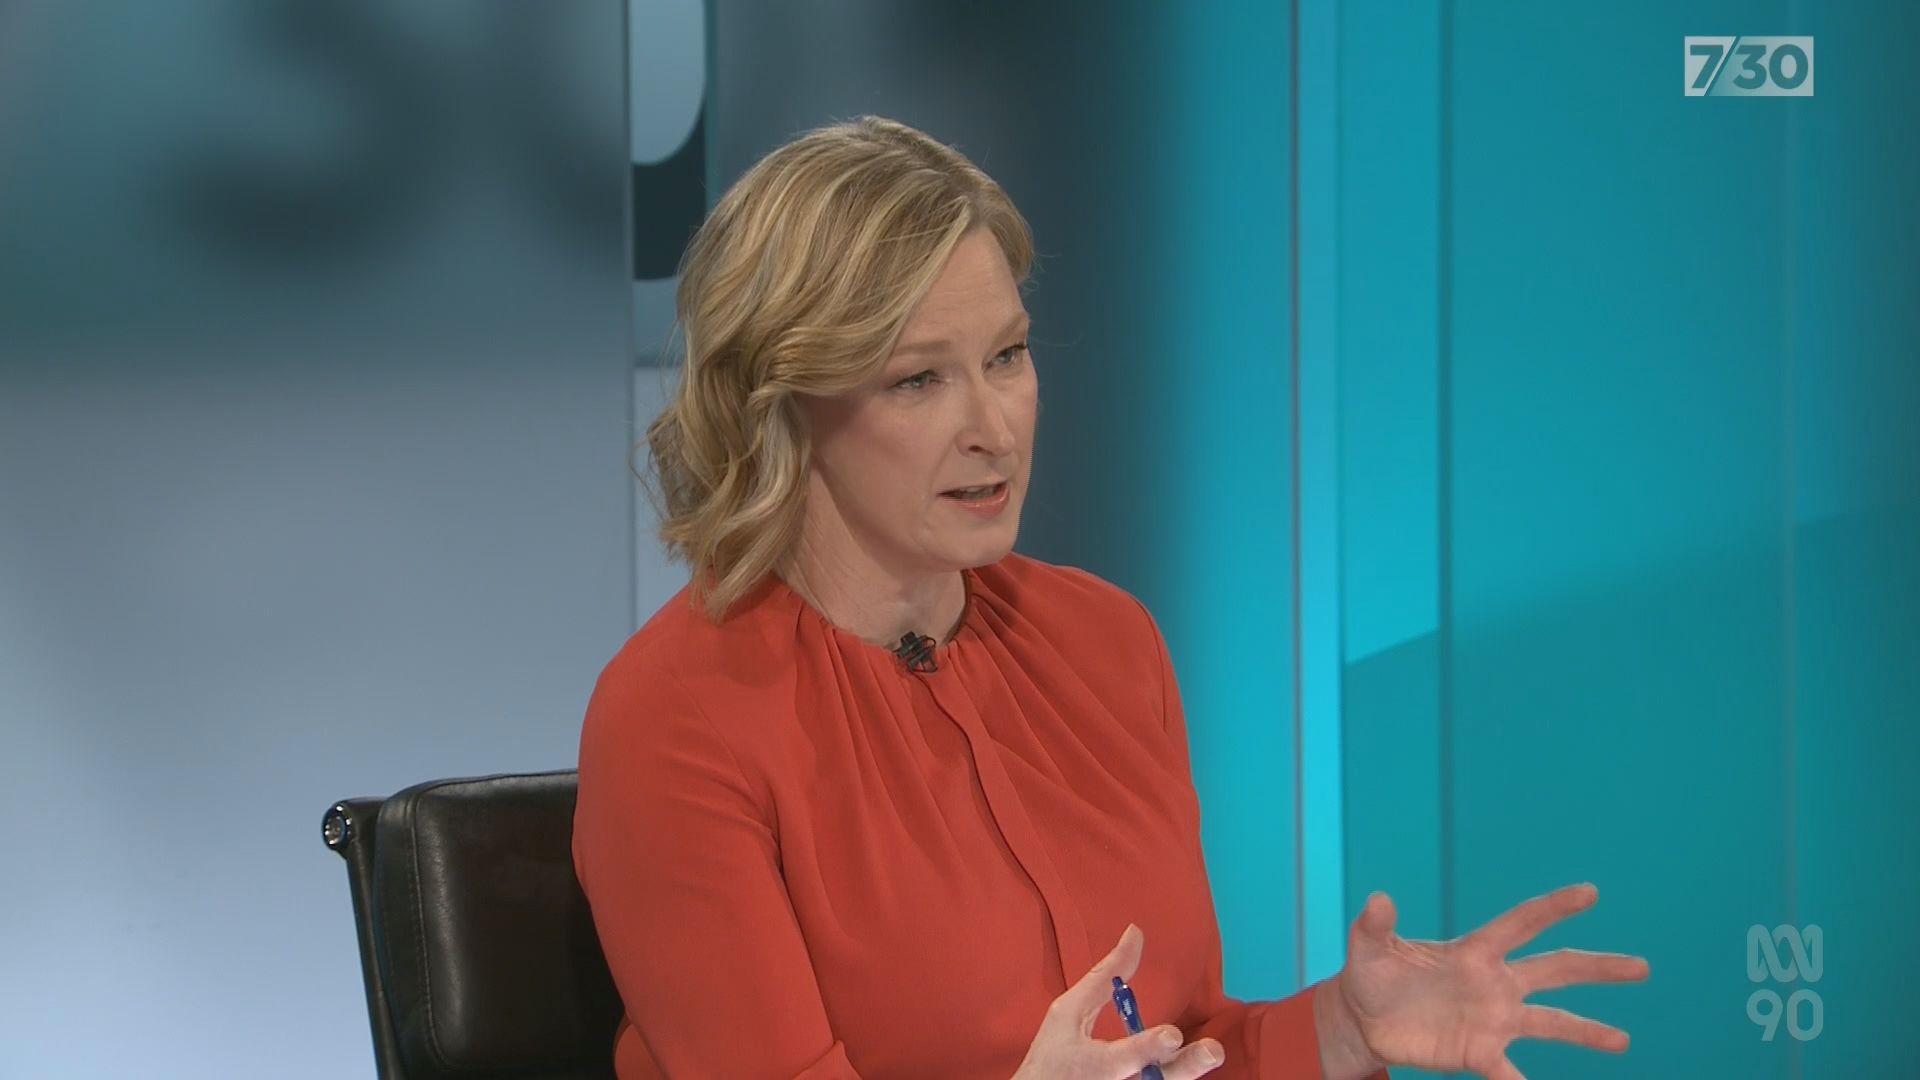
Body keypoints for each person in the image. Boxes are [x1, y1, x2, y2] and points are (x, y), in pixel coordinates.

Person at [573, 116, 1649, 1079]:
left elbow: (1180, 1050)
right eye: (918, 379)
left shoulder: (1103, 640)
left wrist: (1343, 1031)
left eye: (1007, 355)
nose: (994, 426)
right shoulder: (679, 719)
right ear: (780, 405)